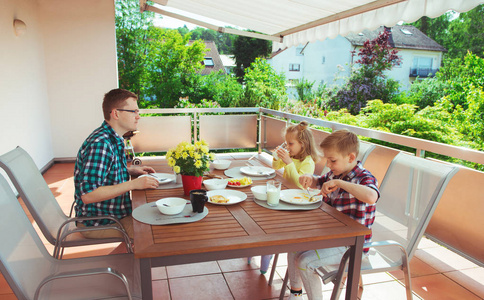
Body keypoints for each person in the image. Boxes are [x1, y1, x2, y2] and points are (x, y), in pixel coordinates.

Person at [286, 129, 380, 299]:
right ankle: (296, 293)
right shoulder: (335, 173)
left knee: (305, 262)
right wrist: (310, 178)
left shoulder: (364, 178)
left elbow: (371, 196)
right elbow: (319, 181)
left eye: (332, 160)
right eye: (327, 160)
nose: (328, 164)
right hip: (331, 237)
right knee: (293, 247)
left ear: (351, 158)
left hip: (352, 246)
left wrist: (340, 183)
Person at [74, 88, 159, 240]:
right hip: (99, 222)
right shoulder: (101, 144)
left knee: (154, 214)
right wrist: (134, 184)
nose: (138, 116)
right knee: (152, 232)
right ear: (116, 114)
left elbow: (106, 170)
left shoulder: (112, 137)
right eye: (134, 111)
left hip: (113, 214)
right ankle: (138, 260)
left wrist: (131, 171)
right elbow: (88, 195)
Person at [249, 121, 320, 274]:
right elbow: (276, 167)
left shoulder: (308, 162)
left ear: (303, 144)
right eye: (286, 143)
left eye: (290, 143)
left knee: (272, 222)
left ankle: (268, 248)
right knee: (262, 210)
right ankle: (257, 245)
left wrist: (288, 162)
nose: (287, 146)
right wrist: (277, 157)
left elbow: (300, 185)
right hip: (285, 196)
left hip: (297, 203)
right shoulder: (292, 155)